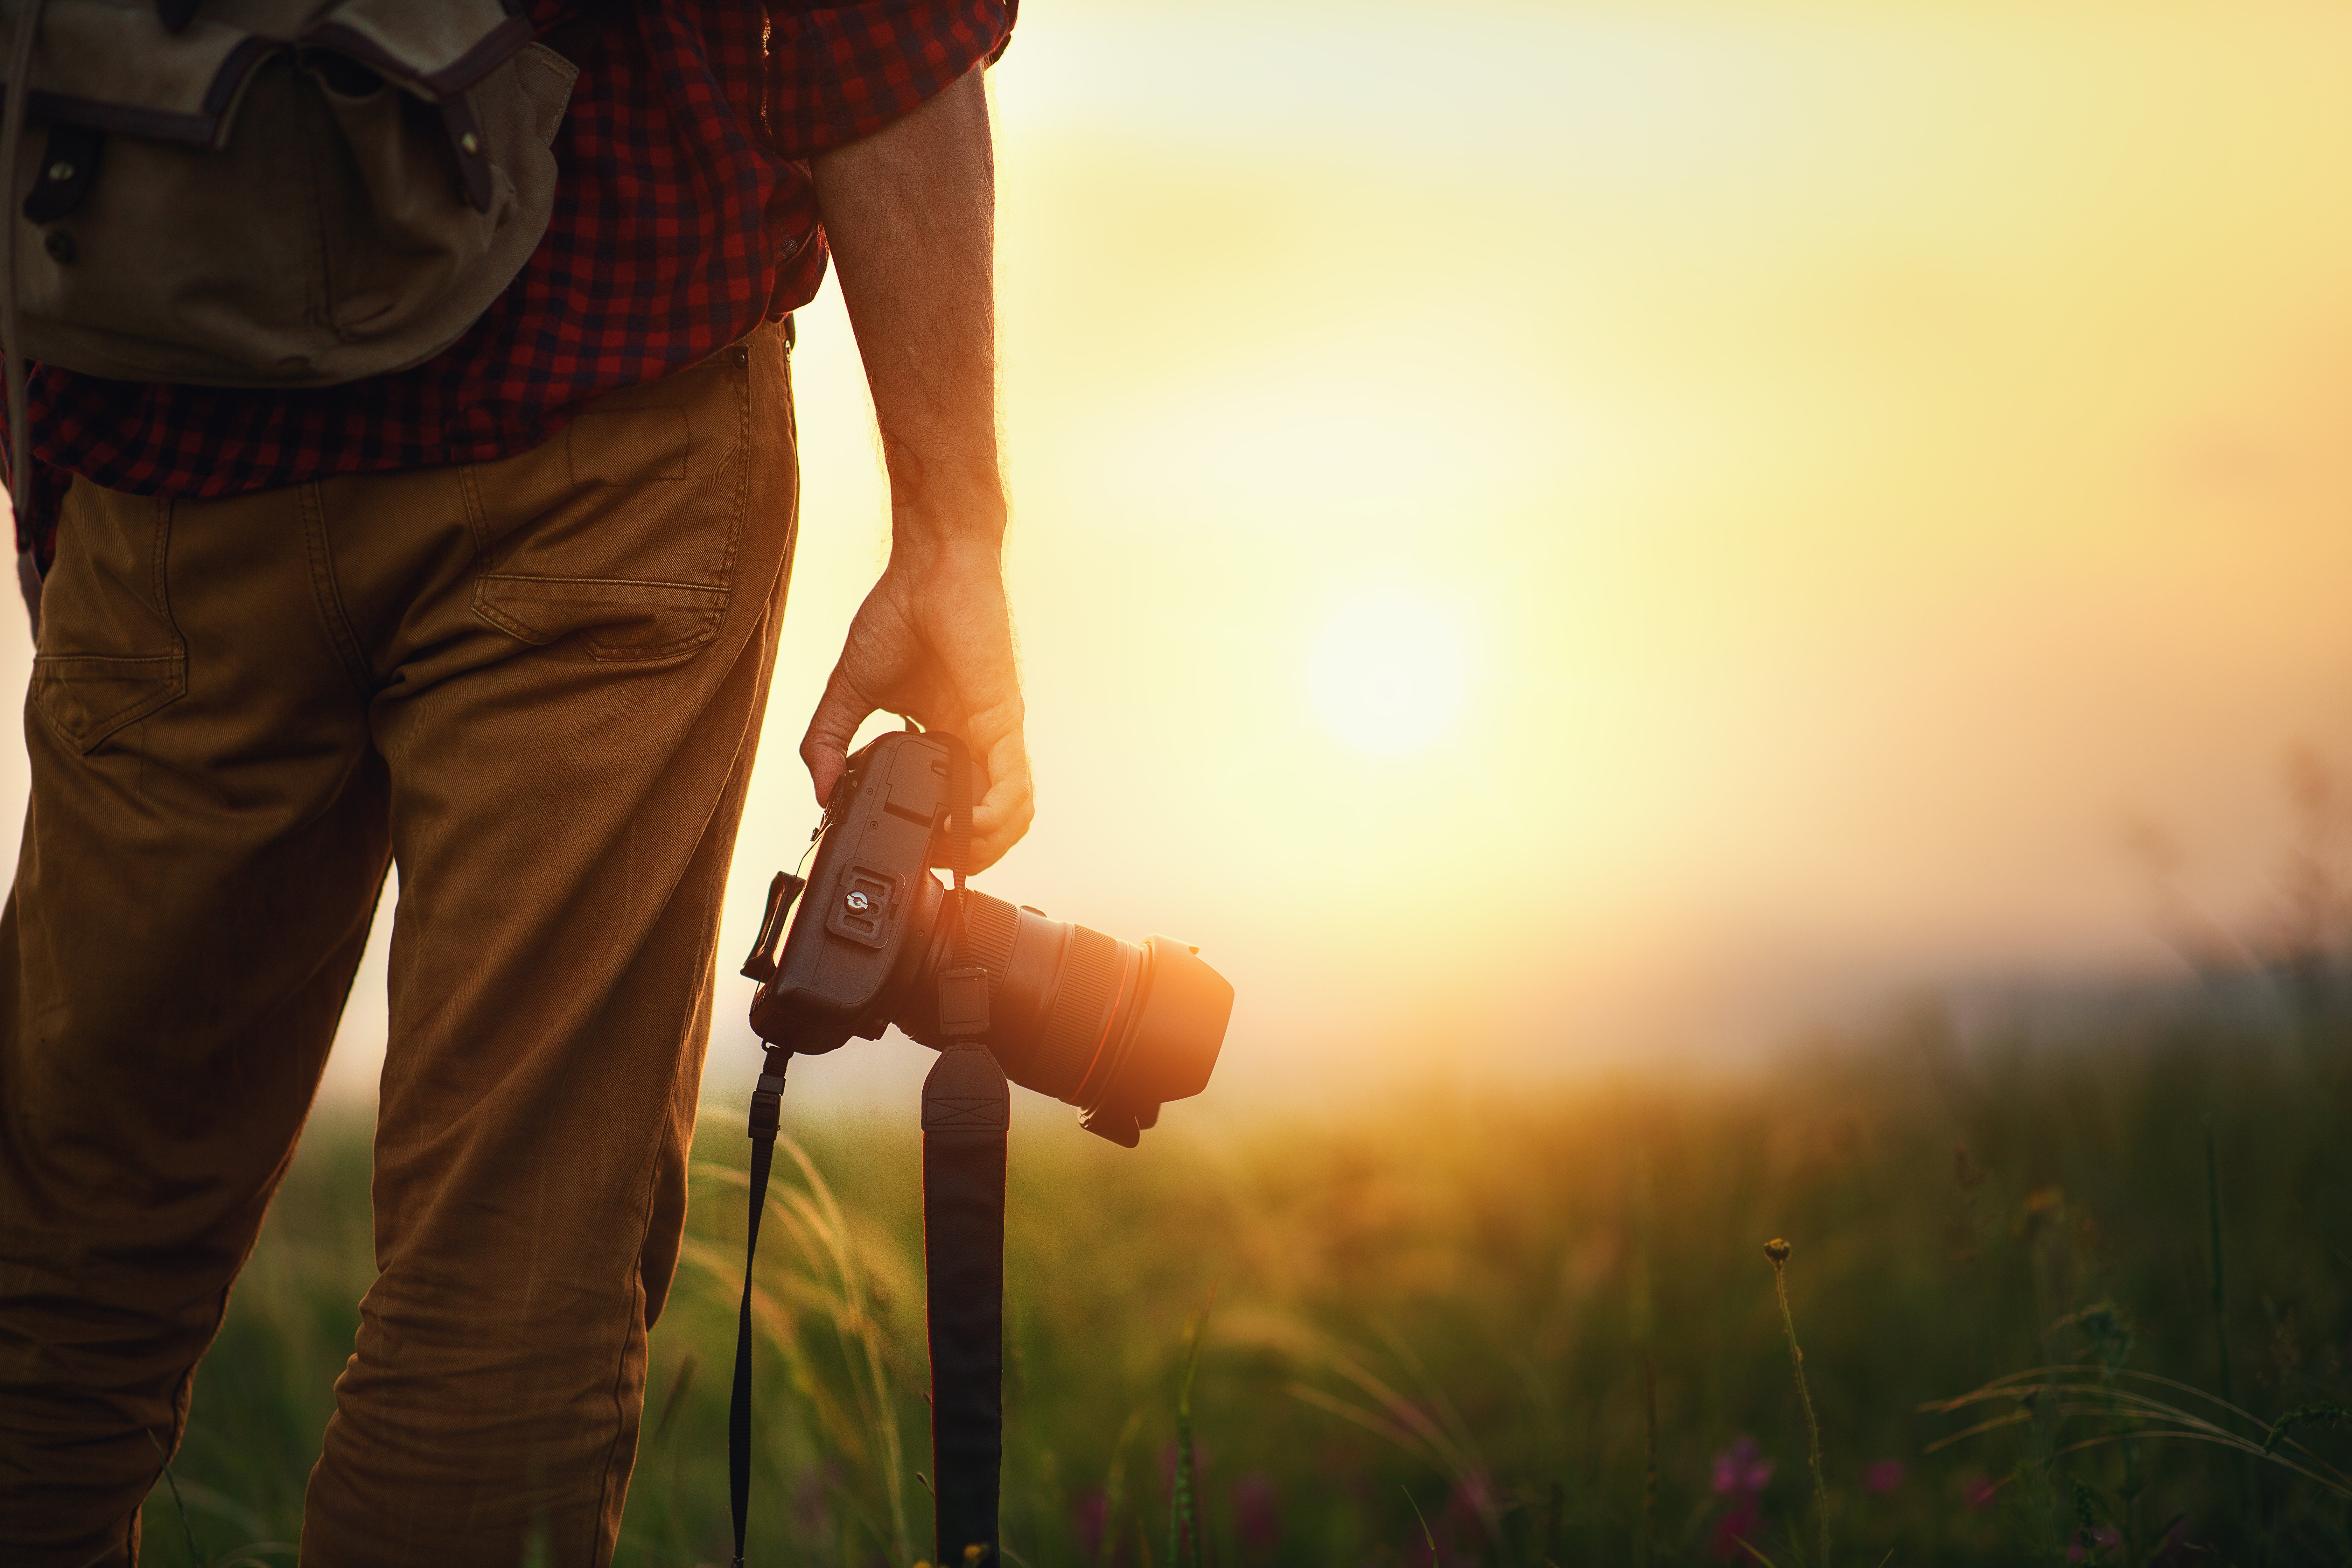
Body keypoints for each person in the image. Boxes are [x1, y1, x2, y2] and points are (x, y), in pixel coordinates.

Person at [0, 2, 1033, 1562]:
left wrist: (56, 472)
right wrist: (954, 528)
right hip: (603, 408)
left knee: (53, 1289)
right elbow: (866, 27)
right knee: (512, 1292)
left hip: (167, 443)